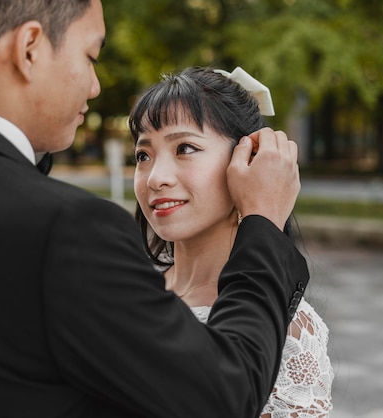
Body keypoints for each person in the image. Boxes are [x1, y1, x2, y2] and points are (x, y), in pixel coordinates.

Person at [0, 1, 309, 417]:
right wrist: (263, 223)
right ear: (30, 48)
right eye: (90, 57)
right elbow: (225, 394)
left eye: (185, 148)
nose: (94, 85)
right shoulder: (66, 229)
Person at [130, 66, 334, 417]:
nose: (155, 178)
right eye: (143, 155)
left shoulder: (288, 330)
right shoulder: (126, 288)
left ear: (248, 160)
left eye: (185, 148)